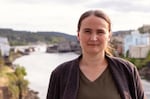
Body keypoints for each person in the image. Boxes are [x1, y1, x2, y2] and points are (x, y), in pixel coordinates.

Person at [46, 9, 146, 99]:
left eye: (100, 32)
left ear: (109, 36)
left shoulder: (127, 70)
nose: (93, 38)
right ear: (78, 34)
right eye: (87, 31)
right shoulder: (60, 74)